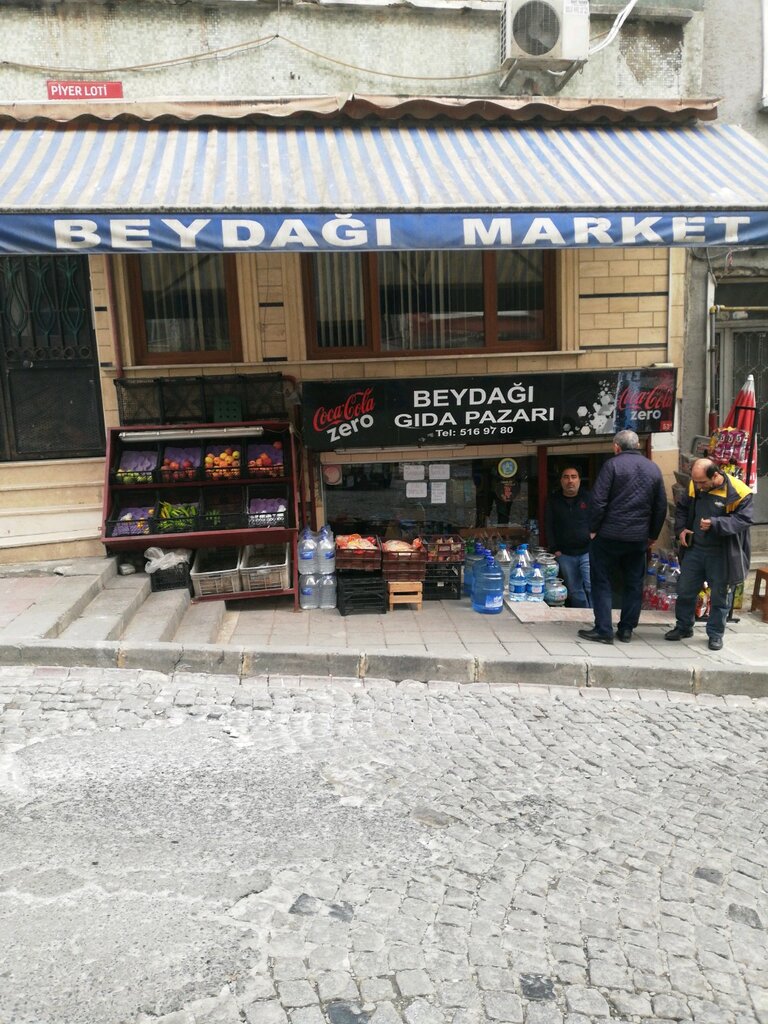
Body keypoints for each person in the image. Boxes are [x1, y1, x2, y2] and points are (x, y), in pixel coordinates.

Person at [577, 429, 667, 645]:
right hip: (637, 538)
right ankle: (626, 629)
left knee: (601, 581)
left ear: (616, 446)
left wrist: (593, 528)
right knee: (634, 582)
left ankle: (604, 630)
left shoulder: (612, 465)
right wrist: (652, 535)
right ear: (636, 446)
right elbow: (661, 506)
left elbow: (598, 501)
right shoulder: (653, 468)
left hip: (608, 535)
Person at [665, 458, 752, 651]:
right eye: (696, 482)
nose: (698, 486)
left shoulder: (739, 491)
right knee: (685, 591)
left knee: (720, 596)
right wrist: (681, 530)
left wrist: (716, 523)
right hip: (695, 549)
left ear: (715, 475)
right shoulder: (695, 485)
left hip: (722, 553)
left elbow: (743, 520)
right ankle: (684, 627)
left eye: (702, 482)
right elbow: (682, 508)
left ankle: (715, 634)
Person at [544, 466, 592, 608]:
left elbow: (599, 518)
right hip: (565, 554)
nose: (570, 481)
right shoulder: (554, 500)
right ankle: (582, 618)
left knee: (592, 585)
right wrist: (554, 548)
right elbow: (548, 525)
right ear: (561, 481)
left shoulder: (588, 498)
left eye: (573, 477)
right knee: (575, 590)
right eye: (566, 477)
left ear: (579, 480)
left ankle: (598, 618)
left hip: (587, 551)